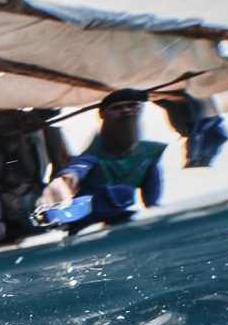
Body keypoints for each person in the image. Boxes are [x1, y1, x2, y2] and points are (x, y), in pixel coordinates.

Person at [40, 89, 167, 229]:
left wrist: (155, 214)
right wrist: (67, 178)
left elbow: (152, 197)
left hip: (120, 219)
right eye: (117, 108)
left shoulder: (148, 155)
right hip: (85, 223)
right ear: (102, 114)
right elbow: (79, 167)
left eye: (133, 105)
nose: (126, 110)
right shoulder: (92, 157)